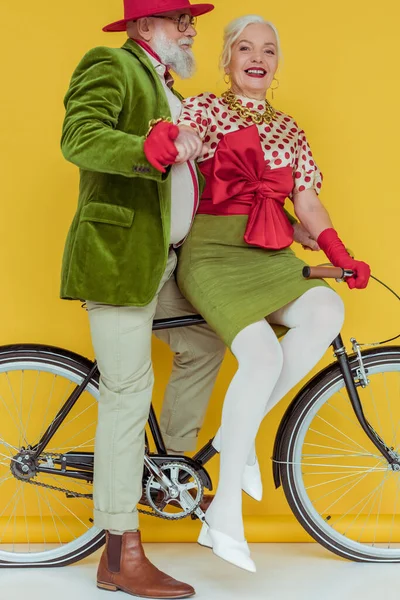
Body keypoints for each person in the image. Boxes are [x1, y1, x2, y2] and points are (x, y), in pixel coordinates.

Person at [176, 14, 371, 573]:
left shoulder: (292, 130)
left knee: (327, 308)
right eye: (244, 47)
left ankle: (238, 437)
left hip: (273, 254)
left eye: (268, 49)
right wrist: (172, 140)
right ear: (227, 58)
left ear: (276, 64)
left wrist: (340, 254)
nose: (257, 57)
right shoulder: (204, 110)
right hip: (213, 254)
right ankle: (225, 515)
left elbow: (307, 204)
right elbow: (172, 156)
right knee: (260, 355)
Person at [60, 1, 226, 597]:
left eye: (190, 18)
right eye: (177, 19)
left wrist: (190, 152)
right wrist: (152, 146)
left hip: (162, 264)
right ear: (141, 27)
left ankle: (167, 471)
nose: (190, 28)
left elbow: (173, 169)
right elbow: (80, 136)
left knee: (205, 339)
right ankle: (118, 554)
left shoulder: (166, 85)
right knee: (128, 394)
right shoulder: (111, 64)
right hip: (118, 261)